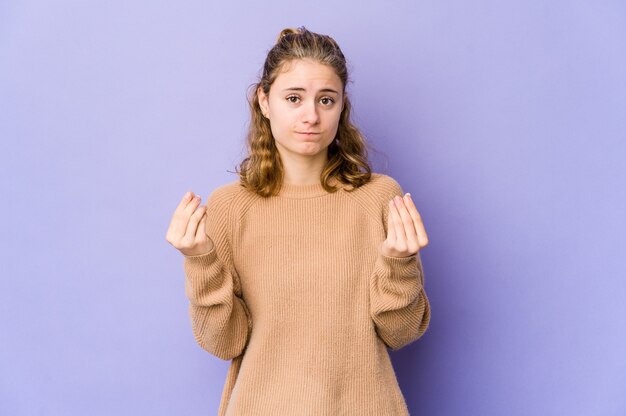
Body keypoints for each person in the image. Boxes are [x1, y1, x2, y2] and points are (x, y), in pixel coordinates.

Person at [165, 26, 431, 415]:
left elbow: (401, 332)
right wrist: (201, 261)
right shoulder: (229, 208)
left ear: (342, 106)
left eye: (326, 100)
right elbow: (225, 344)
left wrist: (400, 265)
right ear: (264, 101)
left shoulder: (379, 197)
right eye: (294, 98)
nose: (311, 116)